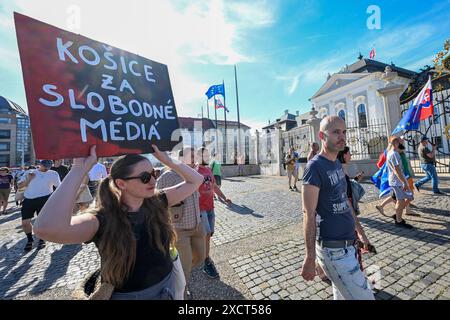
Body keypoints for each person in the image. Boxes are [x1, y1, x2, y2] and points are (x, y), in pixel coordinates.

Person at [34, 145, 203, 300]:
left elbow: (196, 180)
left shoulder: (157, 200)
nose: (153, 181)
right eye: (145, 177)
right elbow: (45, 228)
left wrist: (167, 160)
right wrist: (79, 169)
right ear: (121, 183)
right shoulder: (103, 219)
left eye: (154, 174)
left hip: (168, 284)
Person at [300, 116, 374, 300]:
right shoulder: (315, 167)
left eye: (344, 132)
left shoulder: (337, 164)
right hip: (334, 252)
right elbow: (308, 213)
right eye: (335, 132)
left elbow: (346, 203)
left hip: (349, 245)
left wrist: (361, 235)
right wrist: (309, 257)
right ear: (322, 136)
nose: (342, 136)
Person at [156, 147, 205, 299]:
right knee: (184, 269)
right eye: (191, 156)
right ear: (180, 158)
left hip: (197, 225)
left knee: (201, 256)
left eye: (195, 156)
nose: (194, 159)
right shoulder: (167, 177)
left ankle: (182, 275)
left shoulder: (195, 173)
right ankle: (181, 294)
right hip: (179, 230)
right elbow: (156, 202)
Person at [196, 147, 231, 279]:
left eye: (208, 154)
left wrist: (223, 197)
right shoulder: (194, 170)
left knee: (209, 234)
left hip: (210, 207)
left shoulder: (209, 170)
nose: (207, 156)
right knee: (205, 233)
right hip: (200, 209)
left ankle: (203, 257)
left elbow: (214, 187)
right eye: (204, 154)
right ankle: (206, 262)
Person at [18, 160, 61, 251]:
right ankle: (30, 239)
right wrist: (29, 179)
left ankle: (42, 239)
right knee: (25, 223)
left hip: (44, 199)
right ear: (40, 165)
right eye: (45, 166)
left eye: (49, 166)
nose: (46, 168)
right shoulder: (30, 172)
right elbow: (20, 187)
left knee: (42, 221)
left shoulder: (53, 173)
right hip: (29, 200)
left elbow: (59, 187)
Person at [386, 136, 414, 229]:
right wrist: (403, 182)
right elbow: (396, 170)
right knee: (401, 200)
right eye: (399, 143)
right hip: (397, 181)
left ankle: (397, 215)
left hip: (398, 181)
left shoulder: (392, 153)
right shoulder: (394, 154)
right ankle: (398, 220)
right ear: (396, 143)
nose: (400, 144)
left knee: (409, 197)